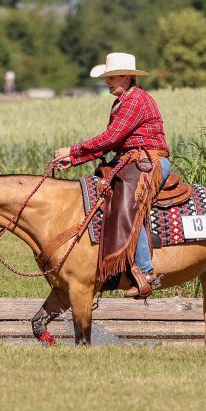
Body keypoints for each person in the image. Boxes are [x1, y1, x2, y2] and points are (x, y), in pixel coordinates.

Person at [54, 52, 171, 298]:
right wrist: (73, 160)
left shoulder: (135, 100)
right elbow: (110, 145)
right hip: (131, 161)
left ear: (127, 77)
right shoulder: (121, 101)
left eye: (112, 77)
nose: (107, 82)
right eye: (107, 77)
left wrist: (73, 150)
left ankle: (147, 272)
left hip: (149, 161)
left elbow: (110, 138)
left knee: (129, 203)